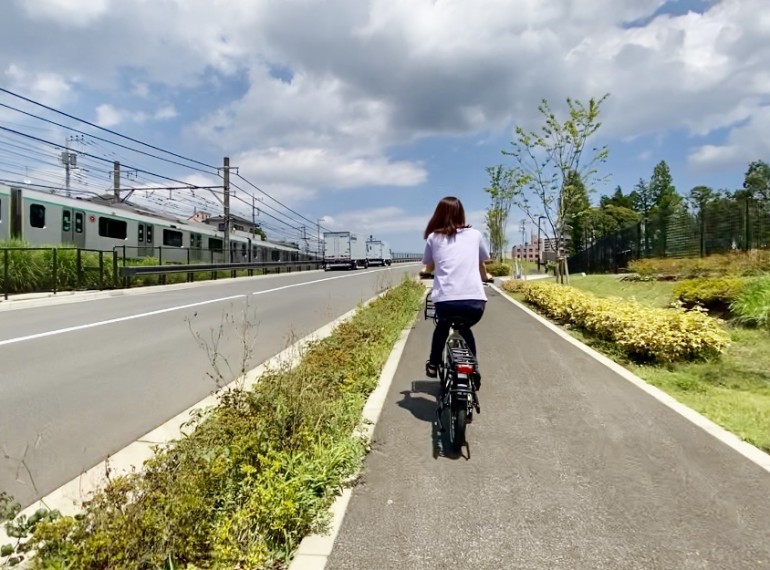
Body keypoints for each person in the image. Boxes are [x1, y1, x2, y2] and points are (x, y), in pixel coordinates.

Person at [421, 196, 491, 384]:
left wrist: (424, 272)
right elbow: (480, 263)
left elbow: (429, 265)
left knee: (443, 325)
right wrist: (486, 277)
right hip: (475, 303)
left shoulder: (433, 238)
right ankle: (473, 368)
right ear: (461, 213)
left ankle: (433, 364)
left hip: (446, 303)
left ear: (438, 215)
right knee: (465, 327)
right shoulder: (475, 235)